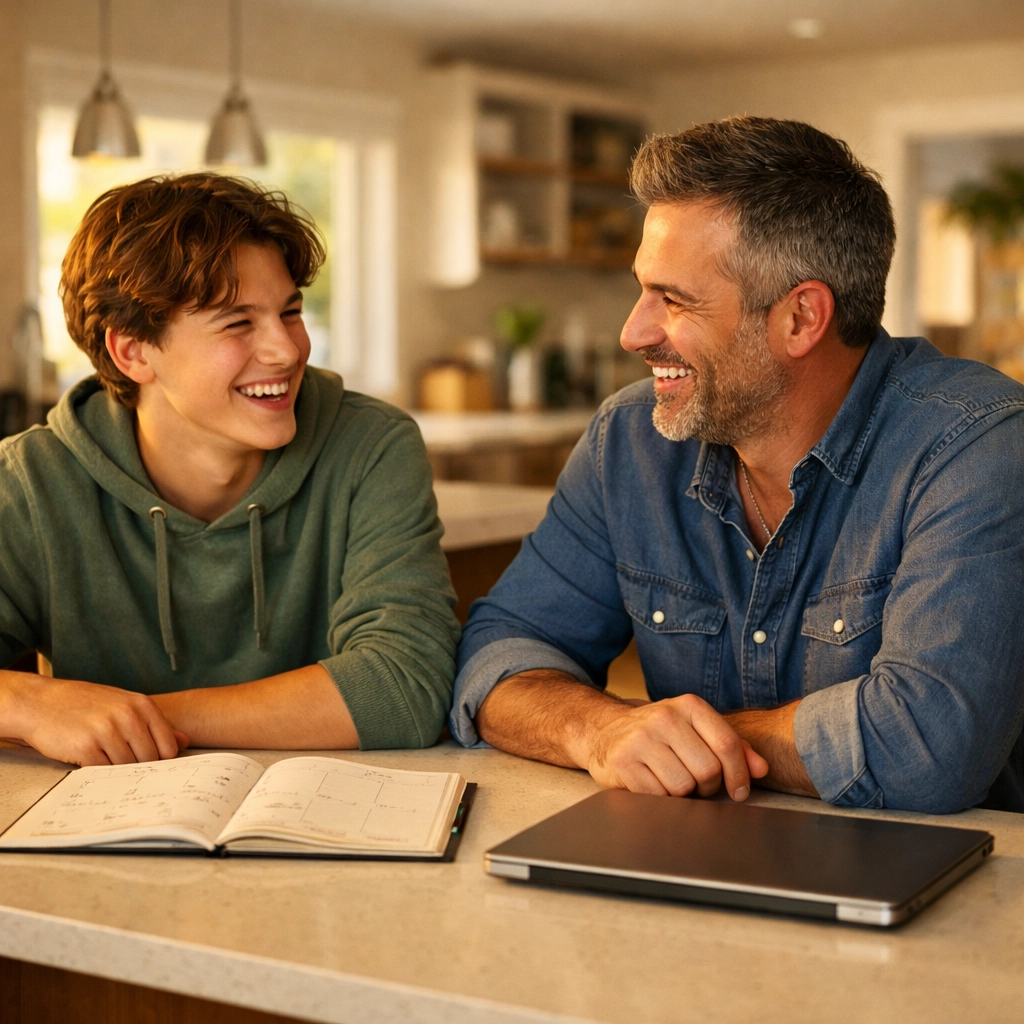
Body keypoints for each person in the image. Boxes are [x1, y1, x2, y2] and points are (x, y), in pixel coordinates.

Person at [452, 116, 1024, 814]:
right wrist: (600, 729)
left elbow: (930, 748)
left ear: (800, 319)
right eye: (642, 289)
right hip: (697, 860)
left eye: (674, 299)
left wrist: (689, 742)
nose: (632, 332)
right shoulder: (628, 442)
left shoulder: (974, 444)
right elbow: (498, 653)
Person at [0, 172, 459, 767]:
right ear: (132, 351)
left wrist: (132, 719)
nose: (288, 350)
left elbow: (404, 688)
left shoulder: (371, 446)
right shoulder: (29, 480)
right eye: (238, 322)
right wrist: (26, 700)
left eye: (290, 311)